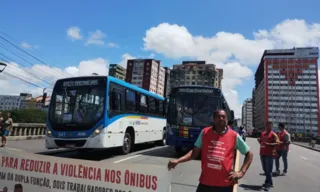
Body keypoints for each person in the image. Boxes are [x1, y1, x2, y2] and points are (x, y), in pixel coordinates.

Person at [168, 109, 254, 192]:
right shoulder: (205, 132)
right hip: (205, 183)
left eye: (224, 117)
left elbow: (249, 154)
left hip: (225, 185)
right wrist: (178, 161)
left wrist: (241, 172)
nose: (221, 119)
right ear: (213, 119)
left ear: (227, 119)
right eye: (218, 117)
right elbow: (194, 153)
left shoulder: (234, 135)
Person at [258, 121, 280, 189]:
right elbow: (261, 142)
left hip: (269, 154)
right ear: (265, 126)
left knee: (269, 170)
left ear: (272, 126)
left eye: (270, 126)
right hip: (262, 153)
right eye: (267, 125)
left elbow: (278, 143)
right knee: (265, 169)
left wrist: (269, 144)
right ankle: (267, 181)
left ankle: (269, 184)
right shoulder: (263, 134)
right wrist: (259, 141)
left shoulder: (273, 134)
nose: (268, 127)